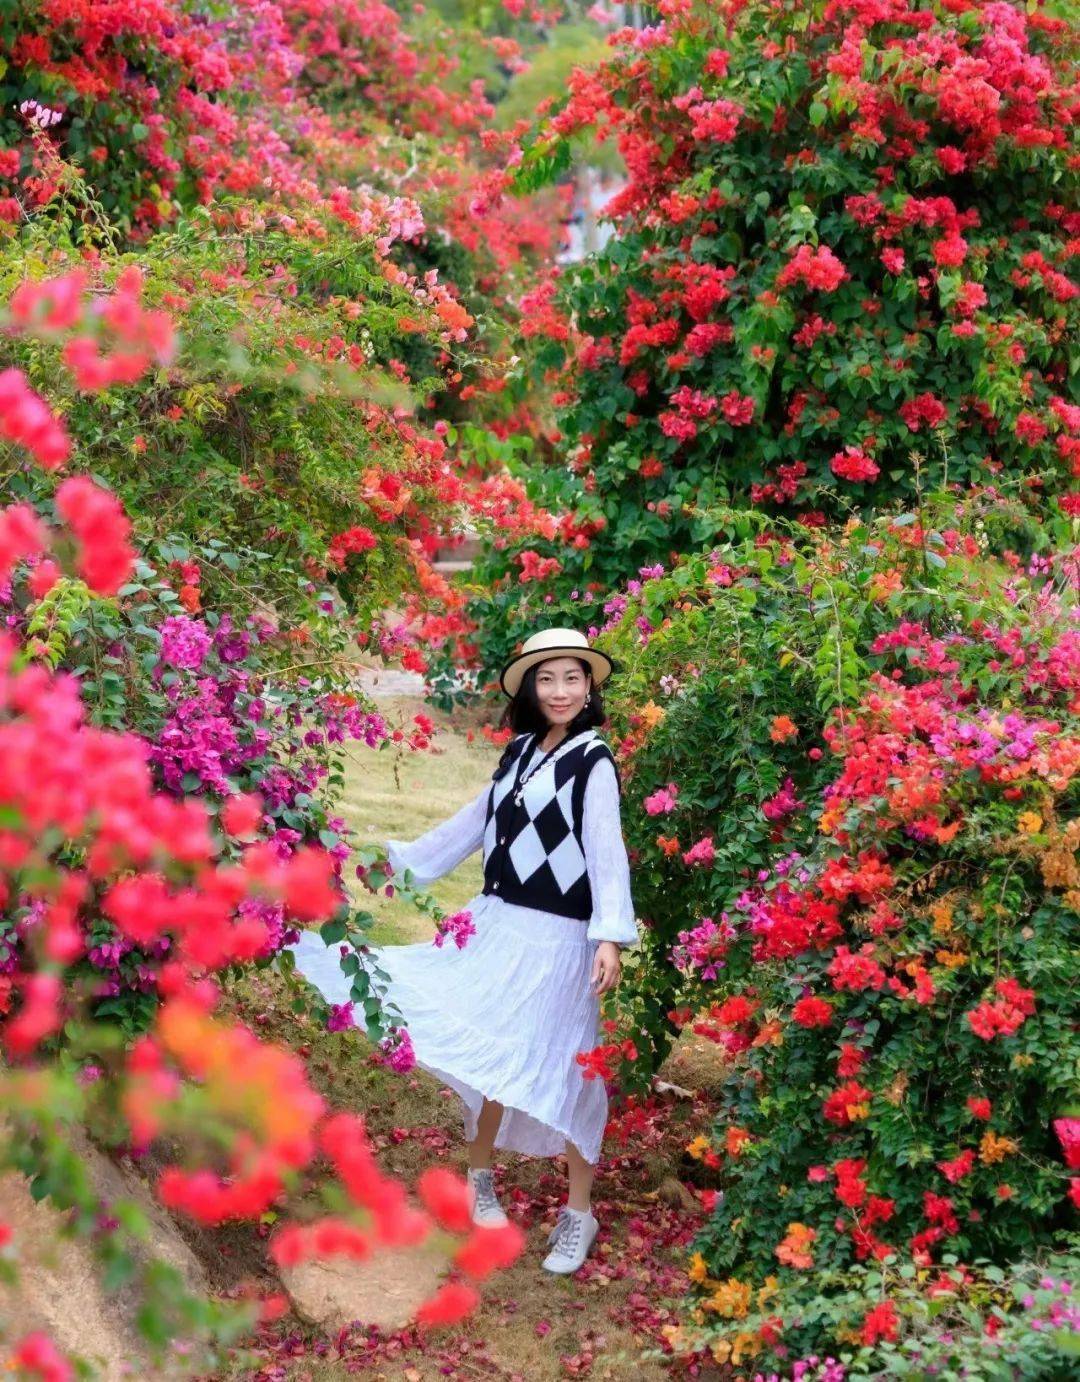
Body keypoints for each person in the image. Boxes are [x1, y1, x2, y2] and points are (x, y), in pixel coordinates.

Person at [291, 627, 638, 1275]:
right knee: (493, 1055)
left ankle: (579, 1212)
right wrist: (376, 860)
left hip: (560, 939)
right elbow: (465, 831)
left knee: (569, 1066)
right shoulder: (520, 754)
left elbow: (606, 849)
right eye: (548, 678)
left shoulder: (593, 762)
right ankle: (480, 1179)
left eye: (573, 678)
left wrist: (609, 936)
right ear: (531, 689)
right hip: (498, 925)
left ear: (589, 686)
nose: (560, 690)